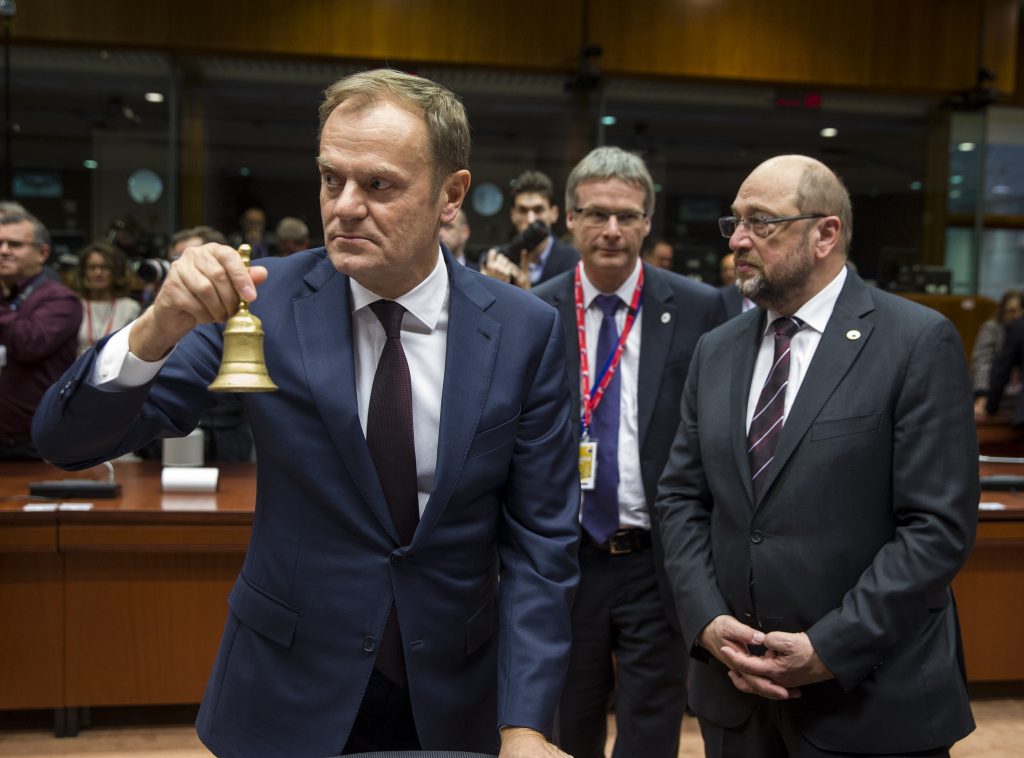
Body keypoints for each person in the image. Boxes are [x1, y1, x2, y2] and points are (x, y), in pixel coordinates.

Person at [33, 68, 580, 758]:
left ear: (451, 195)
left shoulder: (525, 331)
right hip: (285, 688)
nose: (345, 206)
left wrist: (525, 723)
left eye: (378, 184)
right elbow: (68, 441)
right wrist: (155, 329)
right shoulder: (258, 301)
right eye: (330, 179)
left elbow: (540, 546)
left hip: (455, 692)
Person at [655, 155, 978, 757]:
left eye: (761, 222)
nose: (739, 240)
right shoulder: (716, 350)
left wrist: (831, 646)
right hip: (737, 700)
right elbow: (681, 498)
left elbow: (936, 527)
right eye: (735, 222)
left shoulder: (916, 341)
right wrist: (706, 621)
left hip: (871, 701)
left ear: (825, 233)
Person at [533, 146, 726, 758]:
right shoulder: (535, 311)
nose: (611, 229)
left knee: (651, 729)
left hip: (656, 562)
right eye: (596, 214)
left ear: (647, 222)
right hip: (567, 561)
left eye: (627, 216)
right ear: (571, 219)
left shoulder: (698, 308)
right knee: (568, 725)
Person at [0, 211, 82, 459]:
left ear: (42, 253)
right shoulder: (7, 296)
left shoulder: (60, 299)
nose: (3, 251)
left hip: (32, 444)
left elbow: (29, 343)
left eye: (15, 244)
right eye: (0, 244)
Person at [480, 169, 578, 288]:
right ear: (513, 215)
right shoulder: (498, 261)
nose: (531, 220)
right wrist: (491, 285)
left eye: (538, 210)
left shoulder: (574, 261)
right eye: (523, 210)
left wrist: (526, 292)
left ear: (554, 214)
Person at [72, 241, 142, 355]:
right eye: (92, 267)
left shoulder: (130, 307)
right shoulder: (74, 305)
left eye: (105, 267)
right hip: (80, 364)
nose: (98, 273)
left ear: (116, 271)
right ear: (83, 272)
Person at [972, 288, 1023, 415]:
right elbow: (983, 362)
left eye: (1020, 311)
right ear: (1002, 311)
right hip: (996, 395)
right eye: (1011, 311)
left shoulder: (1020, 330)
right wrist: (982, 393)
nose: (1016, 316)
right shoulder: (992, 328)